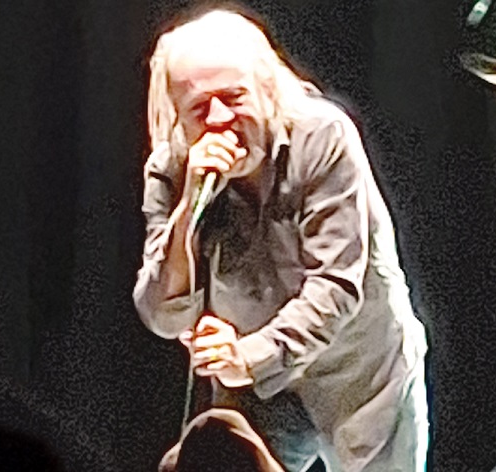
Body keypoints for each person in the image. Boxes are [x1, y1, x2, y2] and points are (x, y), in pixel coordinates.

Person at [134, 7, 429, 472]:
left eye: (233, 97)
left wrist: (247, 355)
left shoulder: (323, 136)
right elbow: (162, 313)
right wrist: (190, 204)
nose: (218, 119)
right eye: (198, 108)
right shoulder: (172, 169)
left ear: (267, 88)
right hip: (257, 383)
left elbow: (336, 286)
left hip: (359, 372)